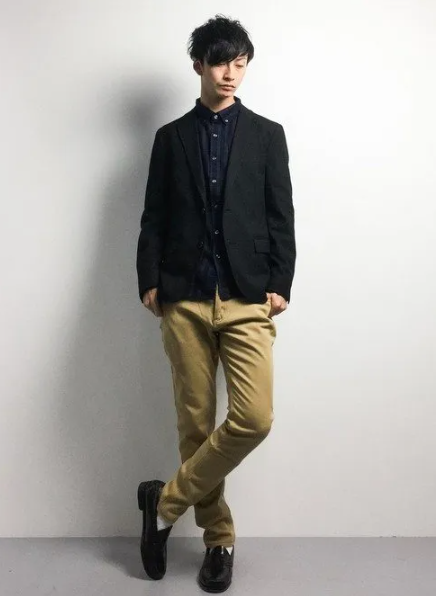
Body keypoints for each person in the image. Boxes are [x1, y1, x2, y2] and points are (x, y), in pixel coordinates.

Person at [136, 13, 296, 592]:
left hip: (248, 295)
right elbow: (154, 214)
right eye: (221, 62)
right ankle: (218, 540)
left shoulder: (268, 135)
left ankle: (162, 505)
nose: (231, 73)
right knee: (196, 424)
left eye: (240, 63)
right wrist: (148, 277)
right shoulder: (170, 137)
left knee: (254, 418)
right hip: (183, 295)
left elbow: (281, 215)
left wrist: (281, 281)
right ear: (198, 64)